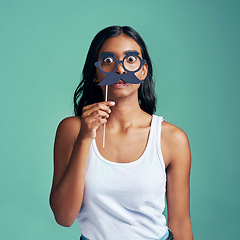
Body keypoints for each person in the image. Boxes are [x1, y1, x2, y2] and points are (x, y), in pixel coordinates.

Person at [49, 26, 193, 240]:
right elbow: (64, 217)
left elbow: (180, 221)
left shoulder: (171, 139)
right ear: (96, 73)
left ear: (143, 71)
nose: (121, 70)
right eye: (108, 61)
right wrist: (85, 138)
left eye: (131, 60)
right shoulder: (72, 130)